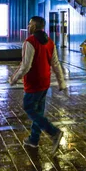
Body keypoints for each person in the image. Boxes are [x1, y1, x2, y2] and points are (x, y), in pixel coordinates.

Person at [8, 16, 67, 154]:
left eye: (30, 24)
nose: (28, 26)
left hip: (33, 83)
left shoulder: (30, 42)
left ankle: (54, 132)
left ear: (35, 26)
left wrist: (14, 78)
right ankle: (34, 140)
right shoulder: (50, 42)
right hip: (44, 83)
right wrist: (61, 82)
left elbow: (25, 66)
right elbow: (56, 64)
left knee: (29, 108)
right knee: (38, 112)